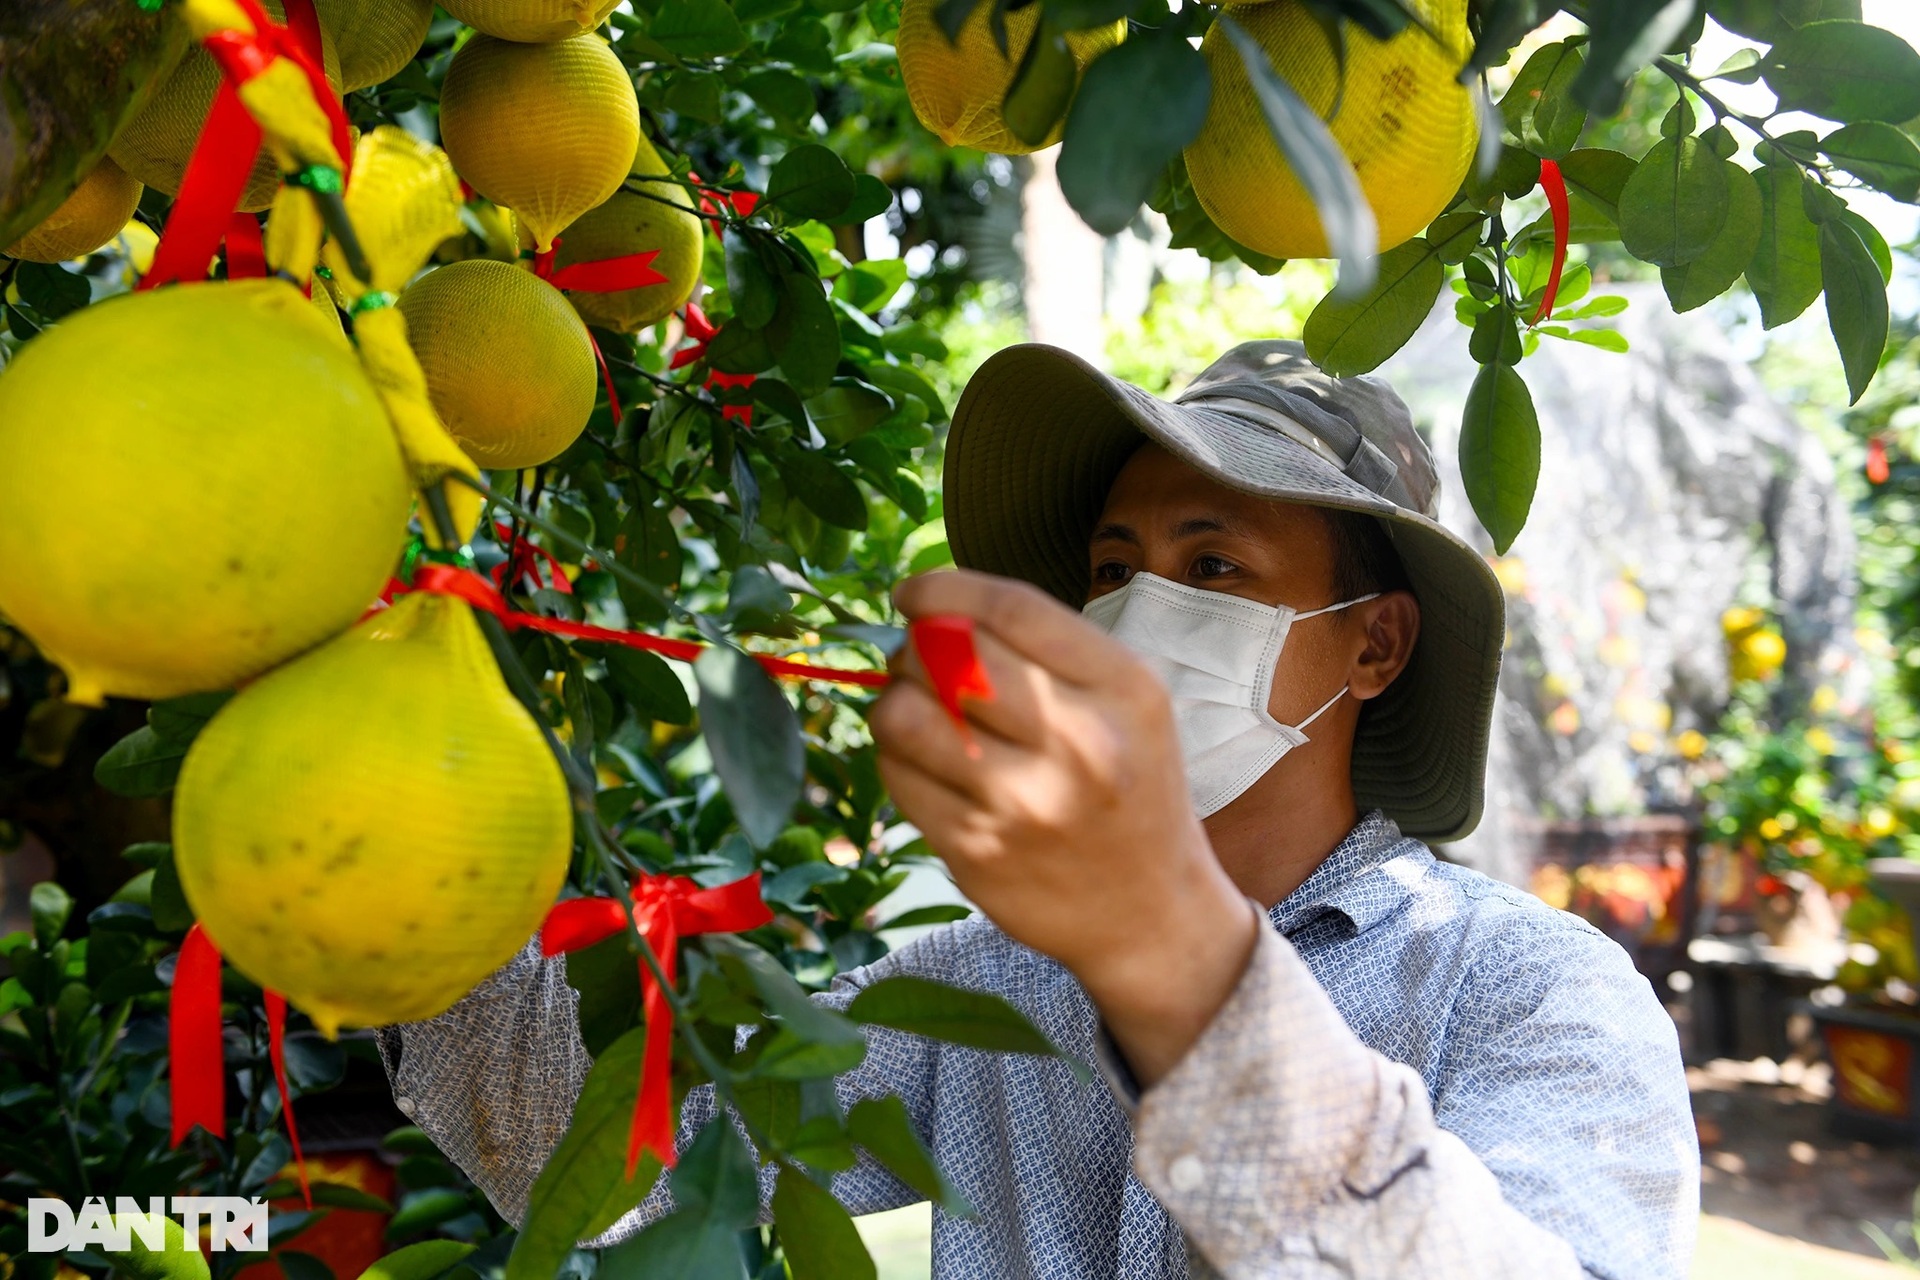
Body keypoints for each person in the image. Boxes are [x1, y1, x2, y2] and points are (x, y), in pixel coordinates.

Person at [377, 341, 1698, 1278]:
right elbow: (609, 1155)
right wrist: (392, 838)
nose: (1137, 609)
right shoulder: (985, 986)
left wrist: (1173, 956)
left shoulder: (1521, 991)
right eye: (1114, 567)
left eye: (1213, 562)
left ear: (1376, 648)